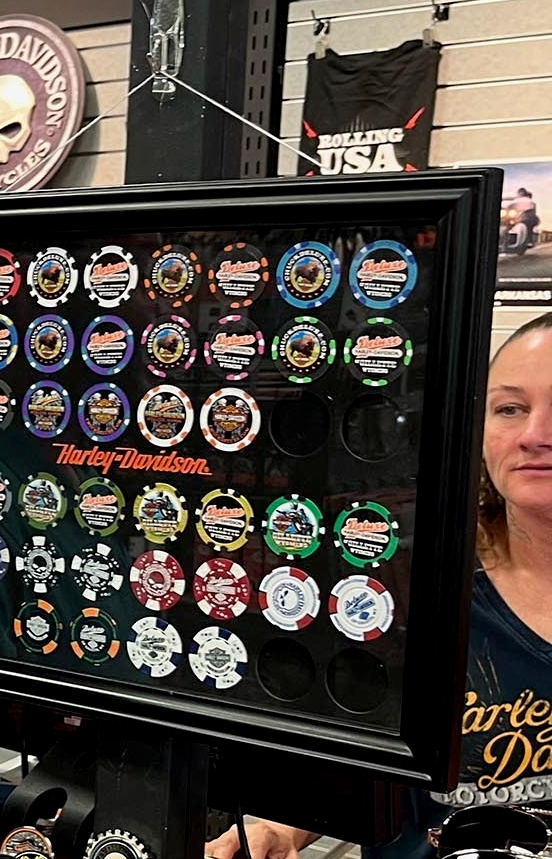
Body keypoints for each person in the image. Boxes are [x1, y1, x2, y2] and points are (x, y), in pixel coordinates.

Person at [208, 312, 552, 859]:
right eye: (510, 408)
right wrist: (278, 829)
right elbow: (347, 766)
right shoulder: (411, 588)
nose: (534, 436)